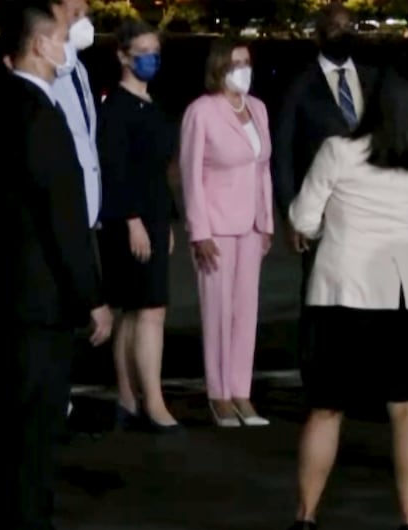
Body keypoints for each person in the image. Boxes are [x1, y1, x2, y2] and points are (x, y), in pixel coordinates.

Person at [283, 63, 408, 530]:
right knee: (407, 409)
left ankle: (306, 517)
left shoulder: (339, 152)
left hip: (345, 294)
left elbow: (303, 219)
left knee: (327, 408)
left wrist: (332, 228)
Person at [0, 3, 113, 530]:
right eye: (59, 36)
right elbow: (63, 215)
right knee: (33, 434)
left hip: (4, 292)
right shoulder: (41, 114)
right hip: (41, 301)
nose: (66, 47)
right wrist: (92, 297)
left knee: (2, 433)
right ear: (39, 44)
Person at [272, 3, 375, 362]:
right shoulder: (299, 85)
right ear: (318, 34)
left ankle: (361, 376)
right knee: (319, 299)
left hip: (371, 208)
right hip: (320, 211)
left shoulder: (371, 78)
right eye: (334, 27)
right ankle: (318, 379)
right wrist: (291, 212)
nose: (343, 32)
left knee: (368, 297)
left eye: (349, 25)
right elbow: (283, 153)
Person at [180, 39, 275, 427]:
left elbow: (262, 169)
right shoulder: (201, 112)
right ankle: (218, 394)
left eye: (247, 62)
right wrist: (199, 230)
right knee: (217, 312)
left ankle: (241, 392)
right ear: (219, 68)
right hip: (216, 228)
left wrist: (266, 222)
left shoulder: (258, 109)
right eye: (235, 63)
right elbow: (190, 176)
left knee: (245, 311)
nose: (243, 69)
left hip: (251, 225)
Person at [98, 19, 180, 432]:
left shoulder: (154, 105)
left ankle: (129, 398)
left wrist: (165, 221)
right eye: (143, 51)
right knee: (148, 310)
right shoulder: (115, 109)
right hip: (129, 219)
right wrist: (132, 221)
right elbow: (114, 171)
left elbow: (159, 171)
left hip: (152, 214)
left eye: (155, 51)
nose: (151, 59)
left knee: (137, 312)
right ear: (123, 55)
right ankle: (154, 402)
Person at [44, 0, 101, 422]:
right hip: (58, 216)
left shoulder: (78, 69)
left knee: (63, 319)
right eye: (74, 8)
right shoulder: (46, 77)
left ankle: (59, 396)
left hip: (83, 212)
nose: (83, 17)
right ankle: (47, 401)